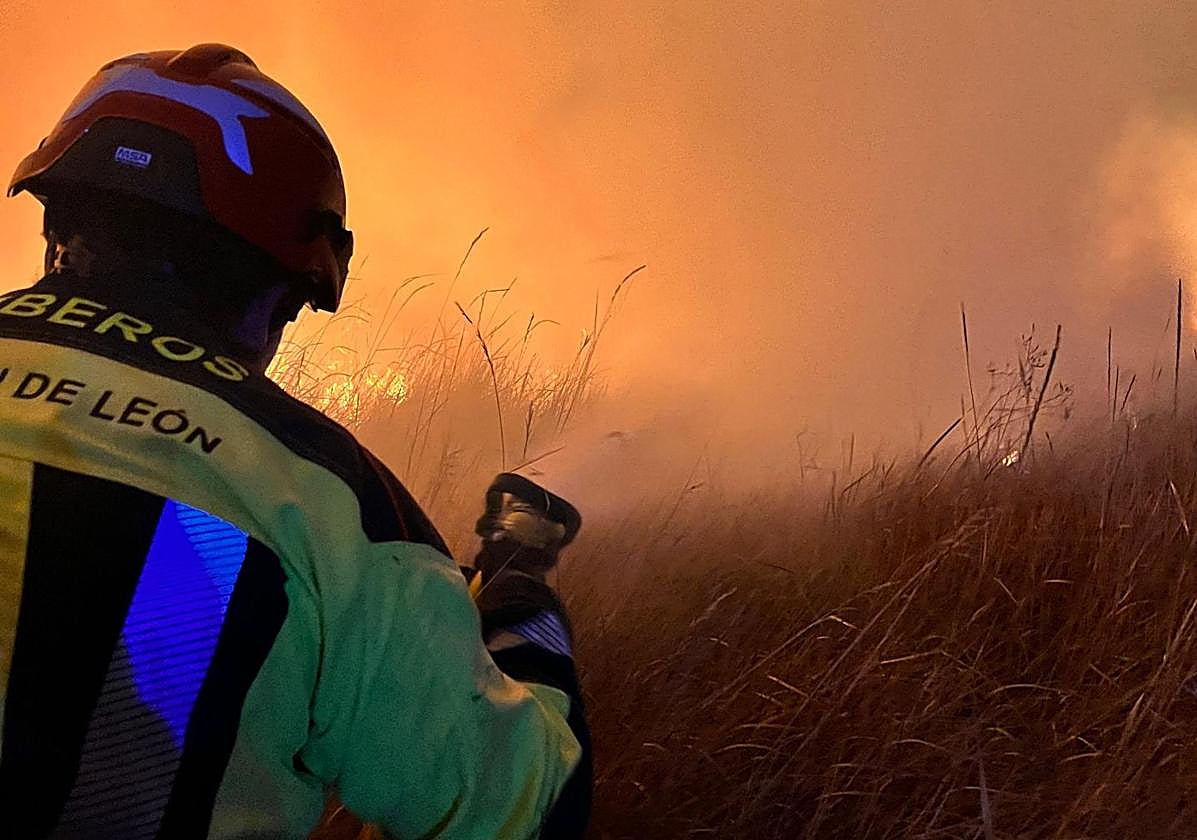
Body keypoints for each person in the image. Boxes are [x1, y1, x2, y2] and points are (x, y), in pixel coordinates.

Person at [0, 44, 590, 839]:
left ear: (61, 223)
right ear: (273, 285)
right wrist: (519, 591)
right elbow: (526, 811)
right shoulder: (332, 506)